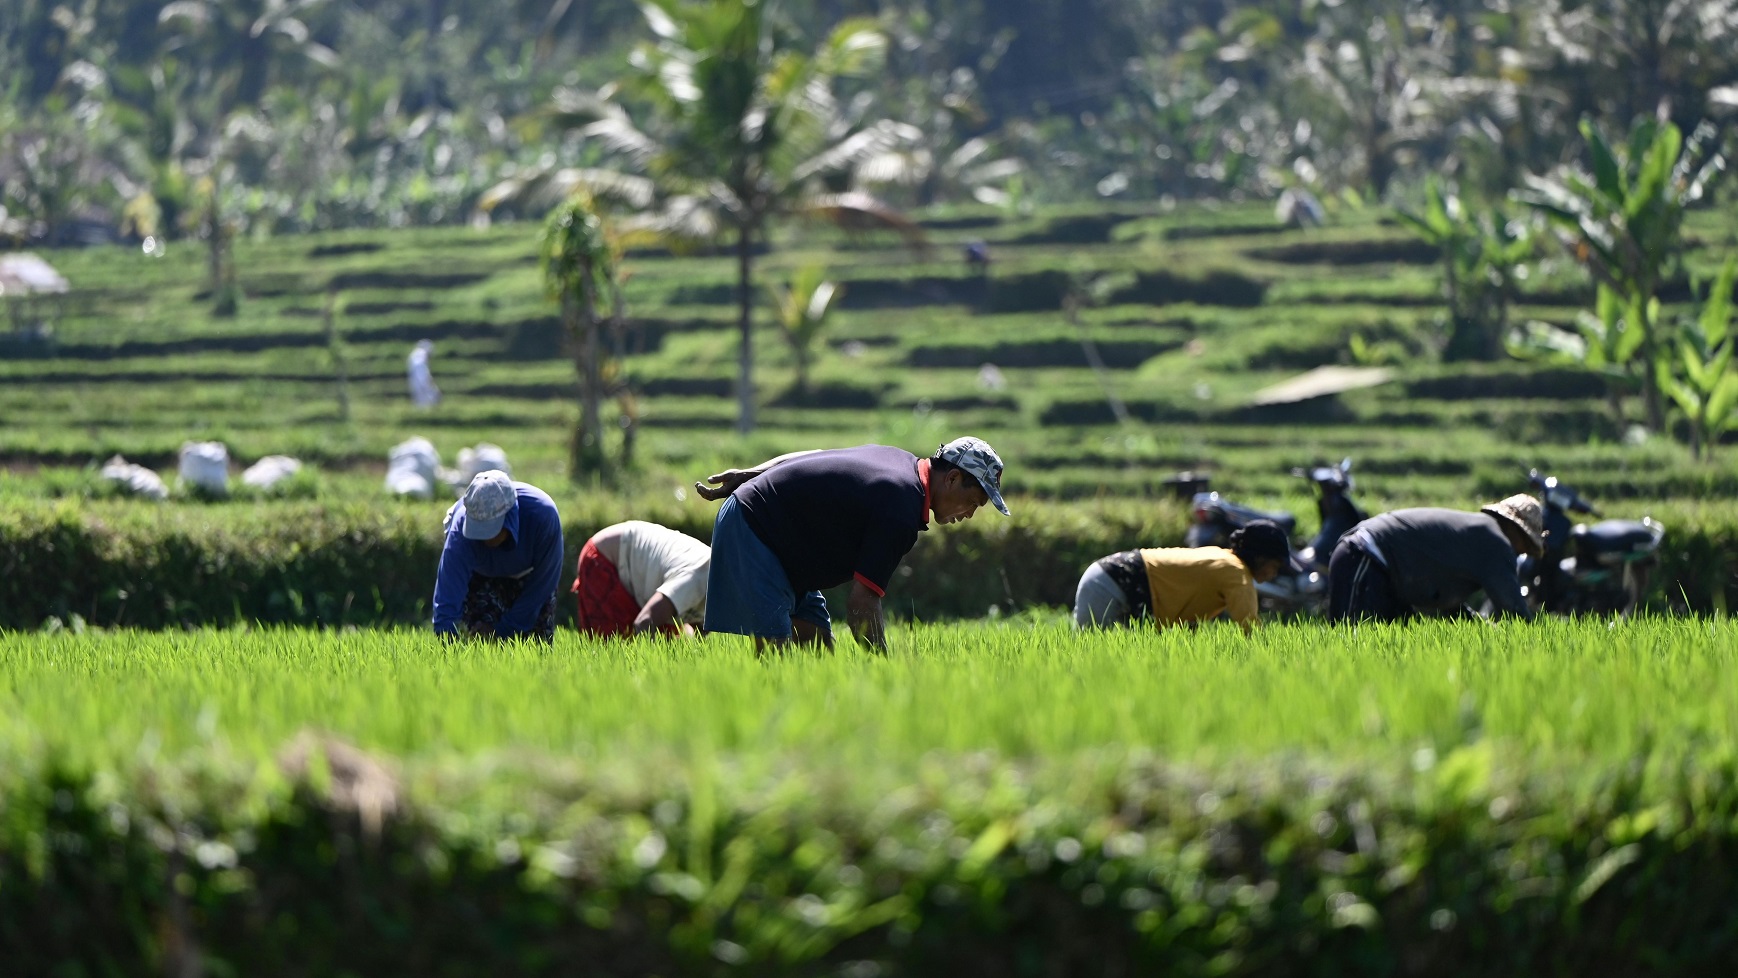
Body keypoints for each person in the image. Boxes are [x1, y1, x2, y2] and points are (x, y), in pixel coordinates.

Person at [694, 437, 1010, 652]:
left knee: (819, 648)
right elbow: (862, 604)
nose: (968, 514)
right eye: (972, 503)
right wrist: (884, 675)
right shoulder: (900, 507)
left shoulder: (899, 461)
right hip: (755, 526)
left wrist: (753, 473)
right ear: (952, 478)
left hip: (783, 542)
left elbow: (814, 457)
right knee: (777, 659)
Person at [1326, 494, 1543, 623]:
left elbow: (1450, 604)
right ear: (1514, 529)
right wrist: (1536, 645)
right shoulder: (1495, 541)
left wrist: (1479, 627)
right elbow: (1515, 614)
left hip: (1375, 566)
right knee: (1351, 646)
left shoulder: (1477, 536)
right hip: (1364, 555)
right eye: (1525, 545)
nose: (1520, 553)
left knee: (1390, 650)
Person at [1073, 520, 1296, 634]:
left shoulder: (1224, 560)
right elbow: (1250, 628)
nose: (1273, 574)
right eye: (1274, 566)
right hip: (1112, 584)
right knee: (1100, 661)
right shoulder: (1236, 573)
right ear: (1259, 557)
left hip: (1109, 578)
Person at [432, 470, 564, 641]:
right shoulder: (460, 530)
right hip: (481, 576)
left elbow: (543, 584)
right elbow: (448, 593)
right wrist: (447, 639)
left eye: (490, 529)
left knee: (534, 645)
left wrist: (504, 630)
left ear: (510, 515)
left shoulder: (543, 517)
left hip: (529, 578)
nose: (485, 538)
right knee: (478, 642)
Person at [573, 520, 710, 637]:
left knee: (672, 643)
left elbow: (699, 628)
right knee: (616, 648)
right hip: (605, 558)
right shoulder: (697, 577)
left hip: (637, 569)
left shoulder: (719, 583)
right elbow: (644, 622)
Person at [408, 340, 441, 408]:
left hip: (414, 382)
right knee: (424, 403)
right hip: (421, 383)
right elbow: (422, 373)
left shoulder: (414, 354)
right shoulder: (421, 354)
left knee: (419, 403)